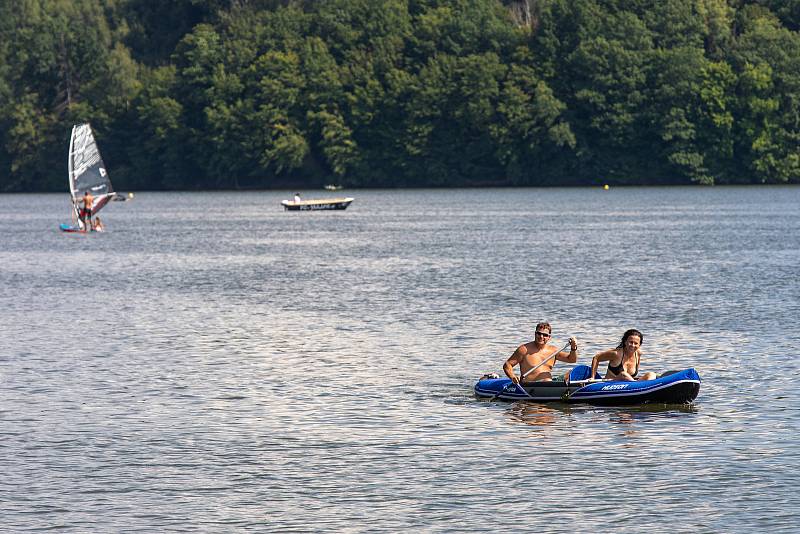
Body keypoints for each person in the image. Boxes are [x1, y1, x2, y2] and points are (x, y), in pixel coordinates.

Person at [503, 322, 578, 383]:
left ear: (549, 337)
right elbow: (507, 364)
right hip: (529, 386)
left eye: (545, 335)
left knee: (572, 373)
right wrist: (512, 377)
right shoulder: (524, 349)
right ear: (535, 334)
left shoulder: (553, 351)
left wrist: (573, 348)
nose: (541, 337)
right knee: (547, 381)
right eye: (539, 333)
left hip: (549, 384)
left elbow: (572, 360)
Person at [589, 328, 657, 381]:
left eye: (636, 343)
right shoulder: (616, 354)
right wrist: (592, 377)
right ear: (625, 342)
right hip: (611, 384)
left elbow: (634, 375)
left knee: (651, 374)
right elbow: (596, 358)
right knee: (623, 374)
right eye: (631, 342)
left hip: (629, 384)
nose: (633, 345)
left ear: (639, 345)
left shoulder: (638, 353)